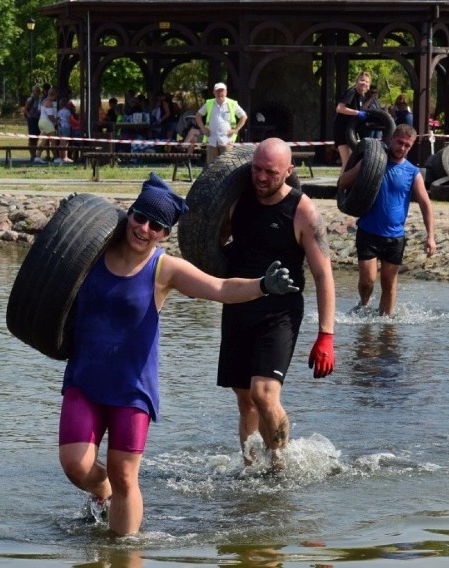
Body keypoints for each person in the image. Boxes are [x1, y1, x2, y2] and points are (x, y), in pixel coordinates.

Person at [58, 172, 300, 536]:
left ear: (164, 234)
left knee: (126, 476)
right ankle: (102, 491)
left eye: (155, 225)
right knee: (75, 465)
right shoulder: (94, 252)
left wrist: (262, 286)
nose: (143, 229)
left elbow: (219, 288)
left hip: (131, 390)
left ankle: (126, 552)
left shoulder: (163, 268)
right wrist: (66, 221)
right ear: (129, 214)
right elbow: (50, 270)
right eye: (139, 218)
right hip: (85, 380)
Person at [217, 137, 337, 471]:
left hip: (280, 310)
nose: (260, 177)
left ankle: (280, 464)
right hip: (239, 302)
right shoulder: (236, 200)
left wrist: (326, 335)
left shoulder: (302, 211)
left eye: (270, 171)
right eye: (256, 168)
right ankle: (250, 466)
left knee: (264, 393)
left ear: (288, 171)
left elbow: (323, 274)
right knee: (245, 399)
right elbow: (209, 240)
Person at [337, 124, 436, 316]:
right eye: (399, 142)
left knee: (389, 285)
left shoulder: (412, 172)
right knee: (367, 281)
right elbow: (342, 183)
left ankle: (387, 325)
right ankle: (364, 305)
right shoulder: (373, 162)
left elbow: (426, 204)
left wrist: (430, 236)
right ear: (391, 139)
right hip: (368, 232)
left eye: (407, 145)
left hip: (395, 237)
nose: (402, 148)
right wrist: (361, 167)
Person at [195, 82, 247, 165]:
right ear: (214, 92)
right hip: (212, 139)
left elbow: (244, 117)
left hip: (227, 140)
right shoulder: (209, 103)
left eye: (222, 91)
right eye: (218, 91)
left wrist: (235, 130)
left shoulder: (232, 103)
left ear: (226, 92)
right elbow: (198, 116)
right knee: (211, 166)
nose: (220, 93)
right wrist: (203, 129)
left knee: (227, 165)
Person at [333, 70, 372, 173]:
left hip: (350, 131)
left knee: (351, 160)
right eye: (362, 80)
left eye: (367, 81)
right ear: (357, 81)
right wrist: (357, 113)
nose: (364, 83)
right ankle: (341, 186)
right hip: (341, 130)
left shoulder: (361, 97)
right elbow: (340, 108)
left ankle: (347, 185)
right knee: (347, 161)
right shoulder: (352, 92)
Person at [35, 87, 59, 164]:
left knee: (44, 141)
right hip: (47, 123)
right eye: (55, 96)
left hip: (41, 121)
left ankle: (37, 157)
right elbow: (50, 116)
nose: (55, 98)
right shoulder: (49, 103)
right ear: (53, 95)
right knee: (53, 141)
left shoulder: (43, 101)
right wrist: (57, 121)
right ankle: (56, 158)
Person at [24, 85, 42, 160]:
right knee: (32, 138)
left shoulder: (40, 99)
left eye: (38, 91)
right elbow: (25, 109)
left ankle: (35, 154)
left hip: (38, 119)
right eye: (35, 91)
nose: (37, 92)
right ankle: (32, 155)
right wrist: (29, 116)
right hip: (32, 120)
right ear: (33, 91)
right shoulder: (30, 99)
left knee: (36, 137)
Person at [55, 97, 74, 164]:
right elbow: (69, 120)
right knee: (66, 142)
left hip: (60, 127)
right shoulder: (68, 111)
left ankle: (60, 157)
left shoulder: (59, 111)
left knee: (61, 142)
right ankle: (65, 157)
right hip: (66, 127)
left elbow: (57, 120)